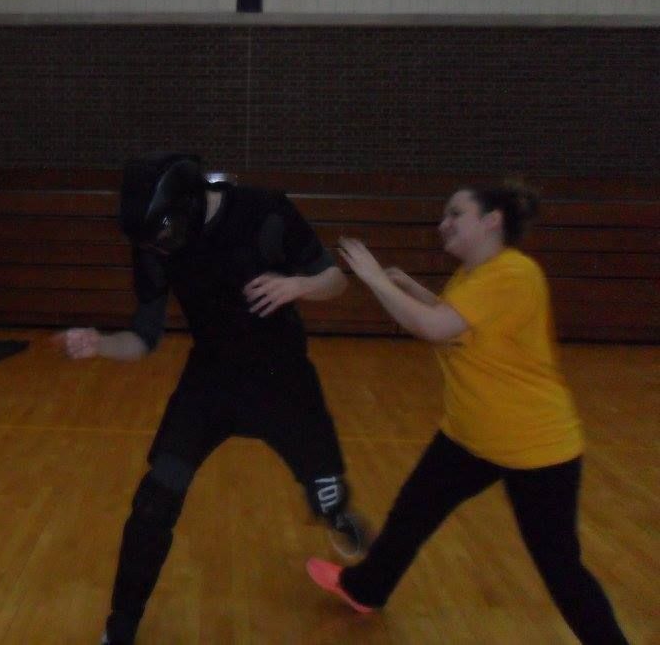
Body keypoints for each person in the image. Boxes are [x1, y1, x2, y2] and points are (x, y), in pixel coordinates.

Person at [56, 154, 367, 645]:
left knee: (325, 483)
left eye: (163, 234)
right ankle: (120, 628)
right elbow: (143, 338)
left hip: (281, 377)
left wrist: (297, 285)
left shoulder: (264, 211)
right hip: (211, 382)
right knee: (154, 502)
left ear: (189, 202)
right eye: (149, 242)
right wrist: (101, 344)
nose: (159, 247)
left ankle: (333, 510)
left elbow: (335, 280)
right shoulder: (155, 244)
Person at [306, 180, 628, 644]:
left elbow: (434, 327)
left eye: (456, 213)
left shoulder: (513, 273)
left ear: (492, 220)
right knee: (412, 514)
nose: (444, 223)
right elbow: (453, 322)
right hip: (470, 437)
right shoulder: (476, 276)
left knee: (560, 568)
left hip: (535, 449)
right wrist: (408, 286)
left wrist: (375, 277)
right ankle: (365, 589)